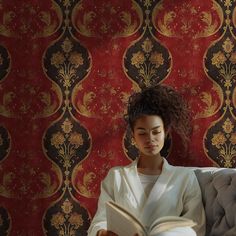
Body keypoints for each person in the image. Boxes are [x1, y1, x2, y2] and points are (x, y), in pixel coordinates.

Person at [87, 84, 206, 236]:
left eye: (156, 132)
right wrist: (103, 233)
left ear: (166, 133)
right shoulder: (116, 177)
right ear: (133, 137)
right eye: (142, 133)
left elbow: (196, 227)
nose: (150, 139)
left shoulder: (185, 178)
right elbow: (100, 220)